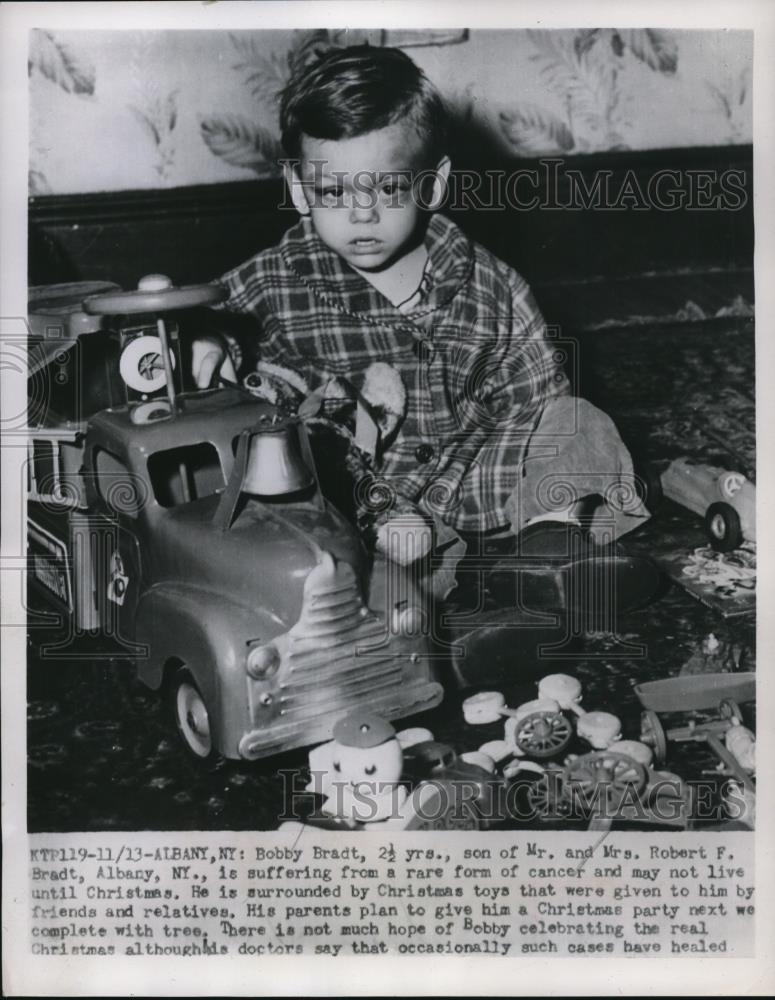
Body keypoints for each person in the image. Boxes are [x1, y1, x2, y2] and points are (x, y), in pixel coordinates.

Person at [194, 43, 658, 622]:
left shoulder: (489, 280)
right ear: (297, 188)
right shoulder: (278, 275)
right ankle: (435, 618)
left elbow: (537, 394)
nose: (362, 214)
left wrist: (546, 471)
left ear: (431, 186)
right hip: (366, 495)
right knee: (309, 520)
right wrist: (213, 342)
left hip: (477, 468)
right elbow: (213, 312)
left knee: (576, 424)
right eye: (334, 192)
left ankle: (548, 551)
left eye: (388, 189)